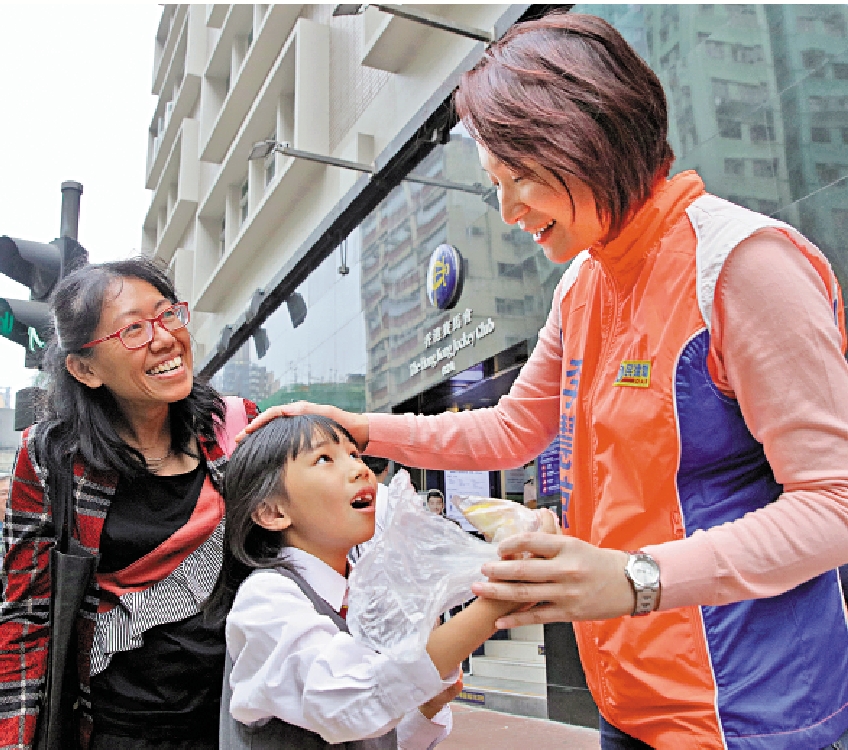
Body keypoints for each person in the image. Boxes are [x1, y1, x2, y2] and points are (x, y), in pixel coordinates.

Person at [240, 12, 848, 750]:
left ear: (589, 134)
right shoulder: (583, 285)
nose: (507, 210)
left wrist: (636, 579)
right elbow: (512, 428)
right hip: (626, 695)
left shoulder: (742, 265)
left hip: (752, 709)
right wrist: (363, 429)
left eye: (519, 176)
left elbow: (834, 503)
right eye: (494, 184)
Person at [0, 257, 257, 750]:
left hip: (234, 721)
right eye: (134, 329)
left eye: (167, 314)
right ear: (84, 369)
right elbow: (26, 618)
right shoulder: (51, 457)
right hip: (114, 730)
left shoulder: (235, 427)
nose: (164, 339)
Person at [208, 414, 522, 748]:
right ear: (272, 512)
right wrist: (499, 599)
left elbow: (376, 734)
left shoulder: (366, 598)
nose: (361, 470)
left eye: (354, 455)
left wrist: (428, 706)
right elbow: (348, 705)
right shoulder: (266, 599)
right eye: (324, 459)